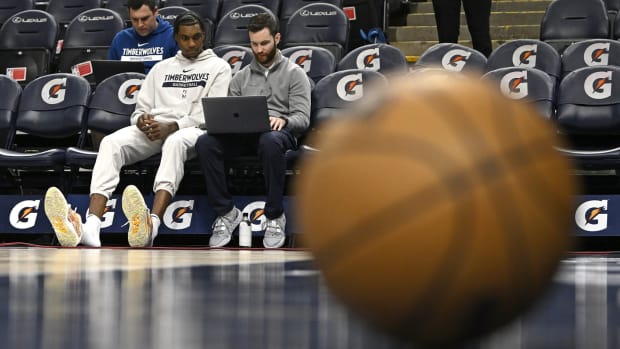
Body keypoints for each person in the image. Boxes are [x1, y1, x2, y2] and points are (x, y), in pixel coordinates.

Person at [44, 12, 232, 248]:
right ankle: (92, 225)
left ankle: (151, 225)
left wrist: (173, 126)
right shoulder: (161, 69)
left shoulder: (219, 67)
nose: (191, 43)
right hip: (155, 128)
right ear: (176, 38)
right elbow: (140, 109)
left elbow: (210, 113)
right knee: (111, 143)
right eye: (185, 38)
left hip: (192, 130)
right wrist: (141, 120)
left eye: (196, 37)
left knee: (175, 142)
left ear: (204, 36)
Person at [195, 13, 311, 249]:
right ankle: (226, 212)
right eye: (254, 44)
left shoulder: (295, 74)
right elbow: (231, 113)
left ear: (277, 38)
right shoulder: (240, 78)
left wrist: (283, 120)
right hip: (243, 135)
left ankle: (275, 214)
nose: (259, 49)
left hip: (278, 134)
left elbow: (303, 118)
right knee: (205, 143)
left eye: (264, 43)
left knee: (269, 141)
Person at [108, 0, 179, 73]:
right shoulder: (120, 39)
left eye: (144, 19)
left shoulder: (173, 37)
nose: (140, 25)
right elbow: (111, 76)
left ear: (155, 12)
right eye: (135, 19)